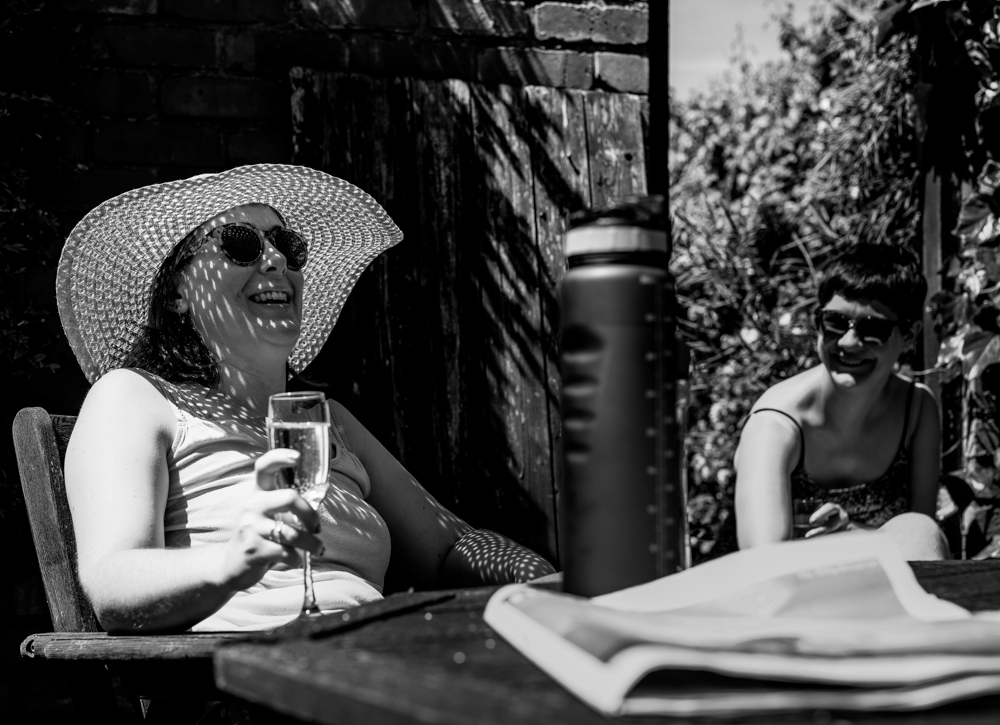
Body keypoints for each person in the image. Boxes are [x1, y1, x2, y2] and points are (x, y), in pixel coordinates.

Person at [59, 164, 555, 633]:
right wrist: (230, 562)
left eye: (288, 246)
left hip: (370, 659)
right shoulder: (135, 396)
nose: (275, 259)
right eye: (239, 244)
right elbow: (113, 582)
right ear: (177, 295)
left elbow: (449, 548)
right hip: (236, 681)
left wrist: (546, 583)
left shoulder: (326, 421)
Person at [733, 242, 949, 560]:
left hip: (879, 588)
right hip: (783, 596)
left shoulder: (917, 410)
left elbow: (920, 544)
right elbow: (762, 560)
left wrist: (851, 536)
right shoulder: (775, 423)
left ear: (910, 335)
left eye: (872, 329)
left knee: (921, 531)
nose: (848, 342)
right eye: (835, 323)